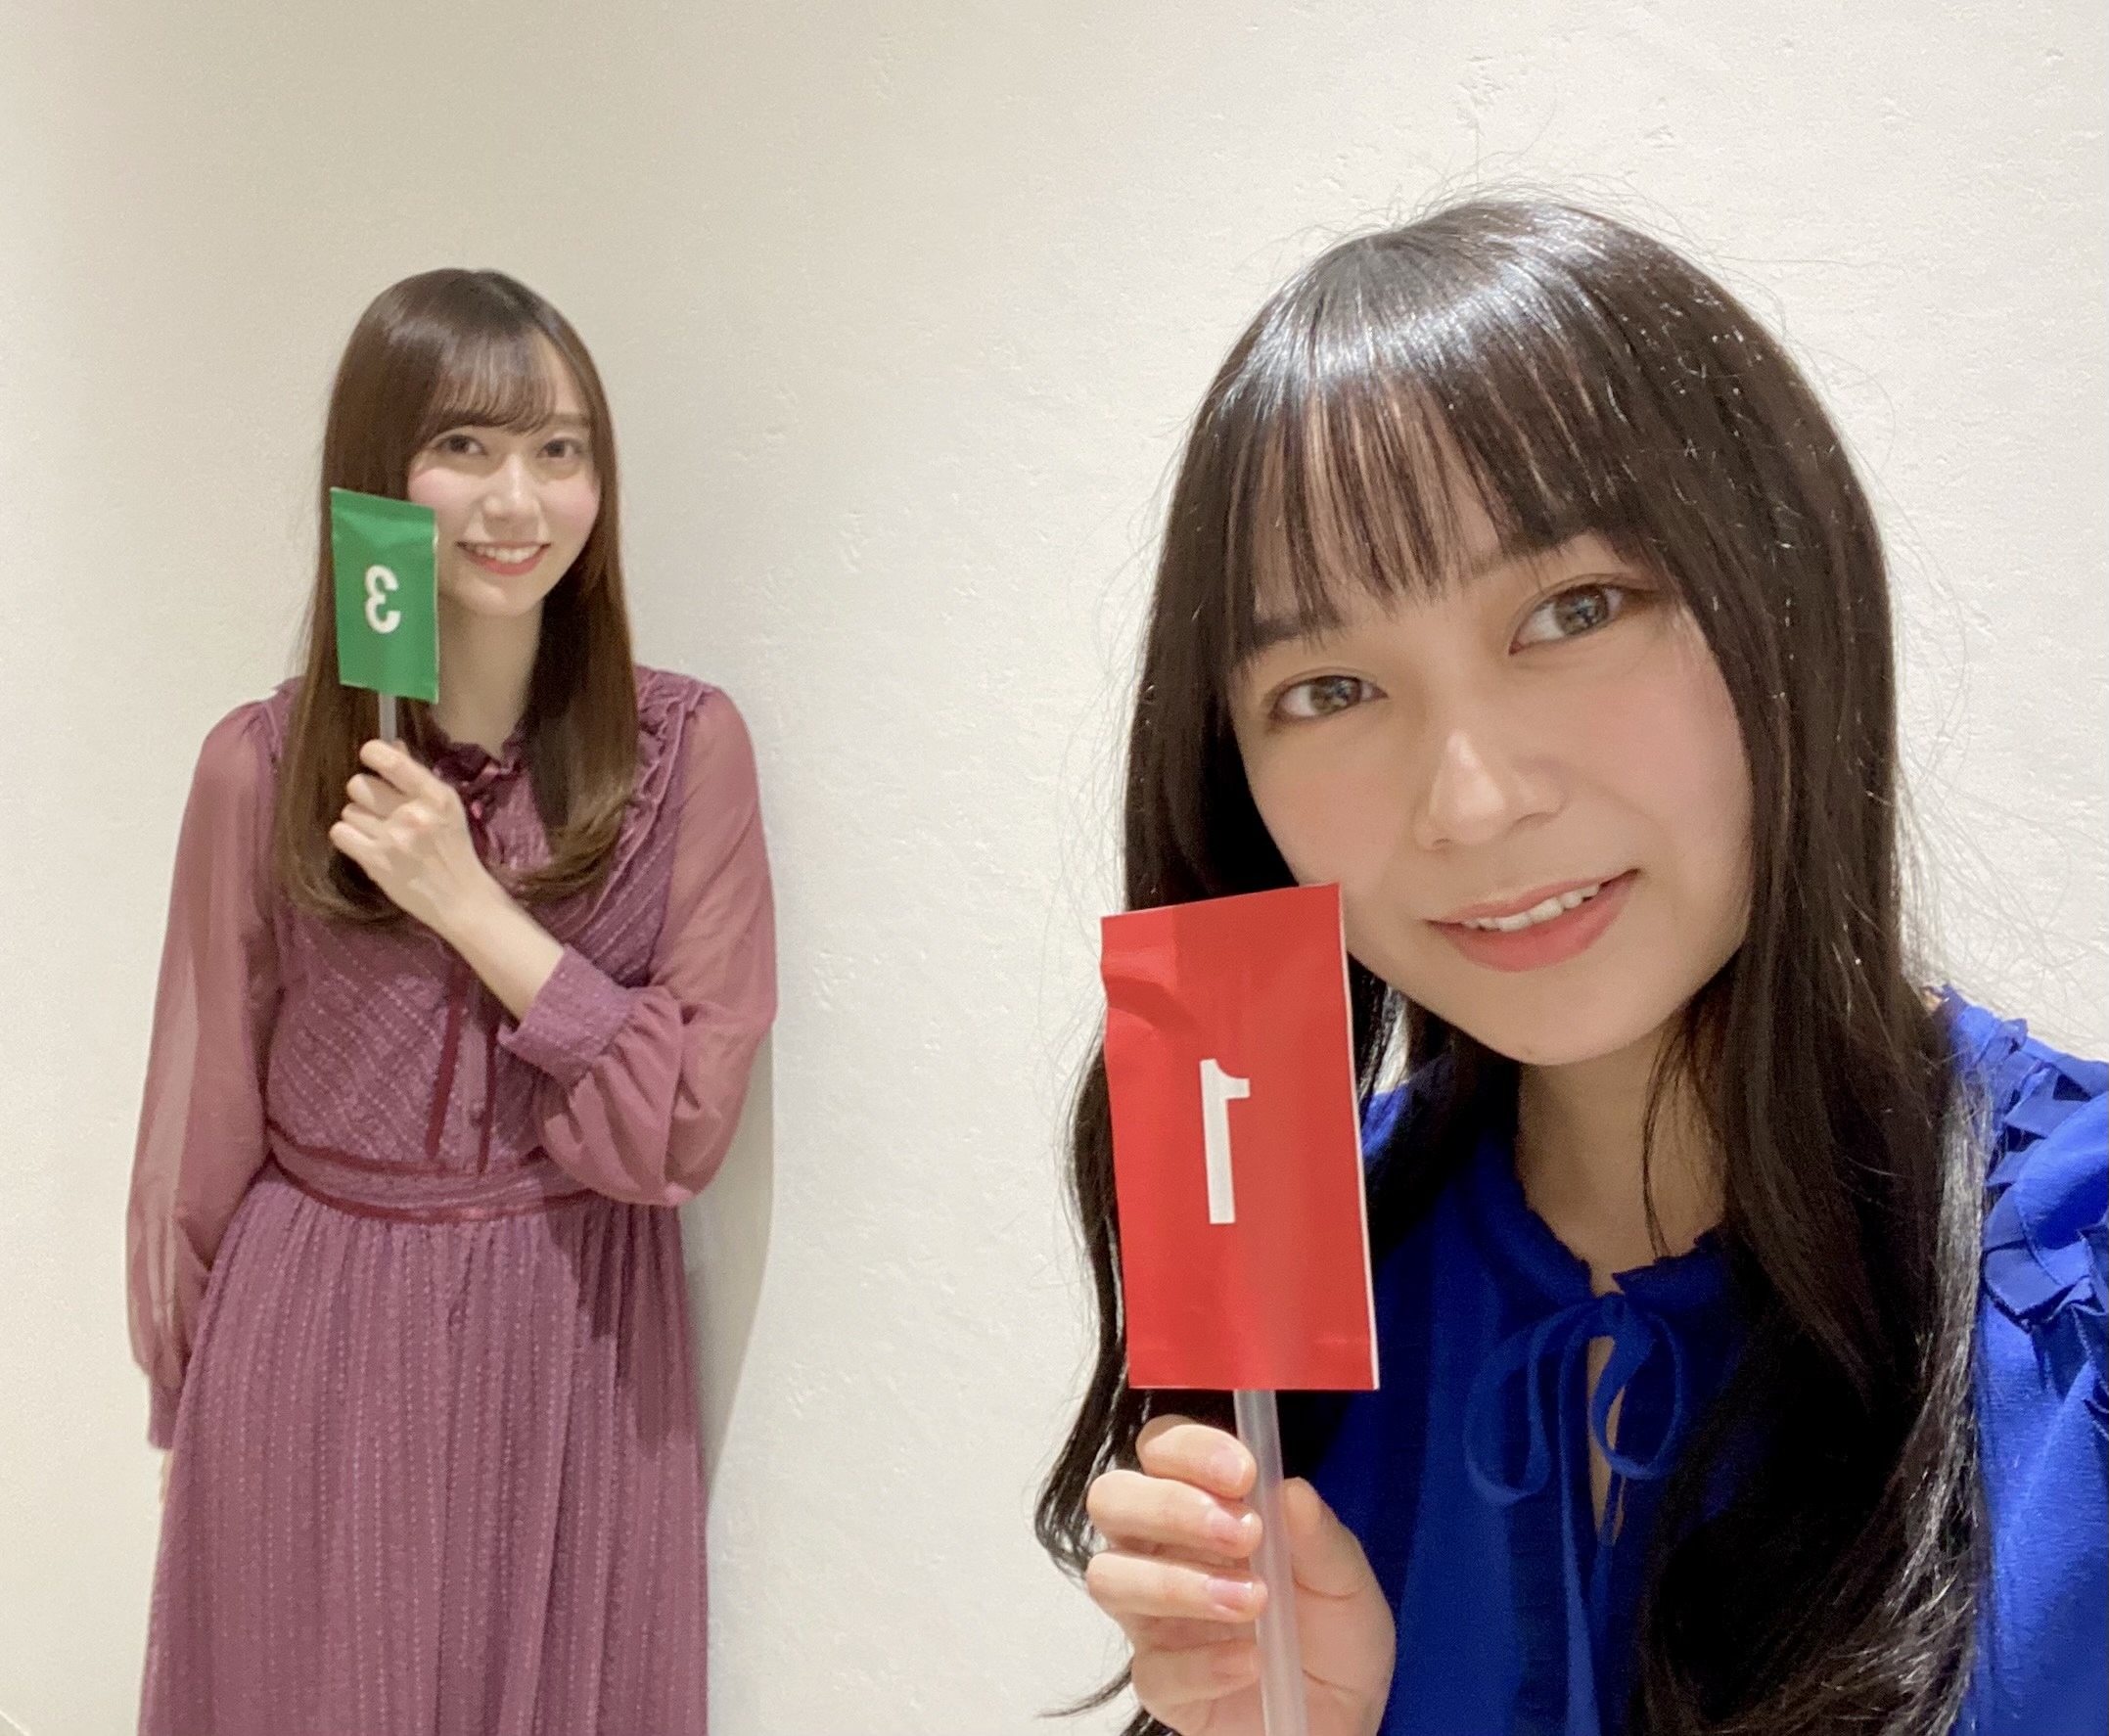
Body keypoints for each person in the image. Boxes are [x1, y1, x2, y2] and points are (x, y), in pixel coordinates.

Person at [1036, 201, 2106, 1736]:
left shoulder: (2076, 1302)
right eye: (1329, 688)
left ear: (1785, 600)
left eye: (1572, 610)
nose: (1471, 803)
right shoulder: (1301, 1282)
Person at [125, 268, 775, 1735]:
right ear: (377, 475)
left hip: (573, 1335)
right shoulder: (258, 769)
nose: (516, 499)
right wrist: (187, 1398)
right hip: (313, 1334)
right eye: (464, 446)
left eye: (559, 448)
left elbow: (680, 1123)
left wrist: (468, 903)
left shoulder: (686, 753)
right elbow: (202, 1121)